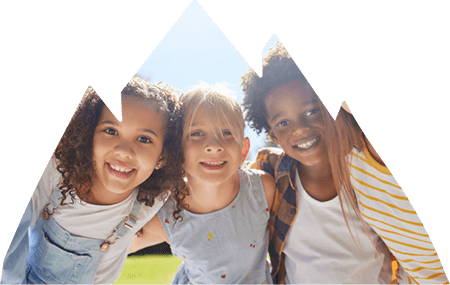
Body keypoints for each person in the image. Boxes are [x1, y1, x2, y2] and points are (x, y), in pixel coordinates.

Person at [241, 41, 448, 285]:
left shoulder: (362, 169)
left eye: (311, 112)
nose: (300, 129)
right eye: (283, 124)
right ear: (273, 136)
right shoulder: (270, 172)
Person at [0, 76, 185, 284]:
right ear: (90, 137)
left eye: (144, 139)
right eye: (111, 131)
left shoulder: (155, 195)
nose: (124, 151)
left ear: (163, 156)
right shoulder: (56, 173)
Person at [129, 83, 276, 285]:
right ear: (177, 149)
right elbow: (112, 249)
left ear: (244, 149)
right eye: (196, 133)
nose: (214, 146)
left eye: (226, 133)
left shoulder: (262, 189)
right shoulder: (164, 214)